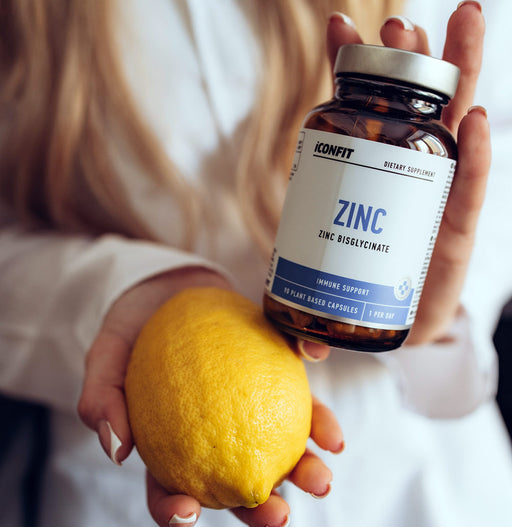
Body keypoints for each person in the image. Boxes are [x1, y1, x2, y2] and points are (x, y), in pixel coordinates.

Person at [0, 1, 511, 526]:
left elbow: (502, 150)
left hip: (417, 473)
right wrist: (119, 290)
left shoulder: (424, 143)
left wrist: (449, 304)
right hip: (146, 447)